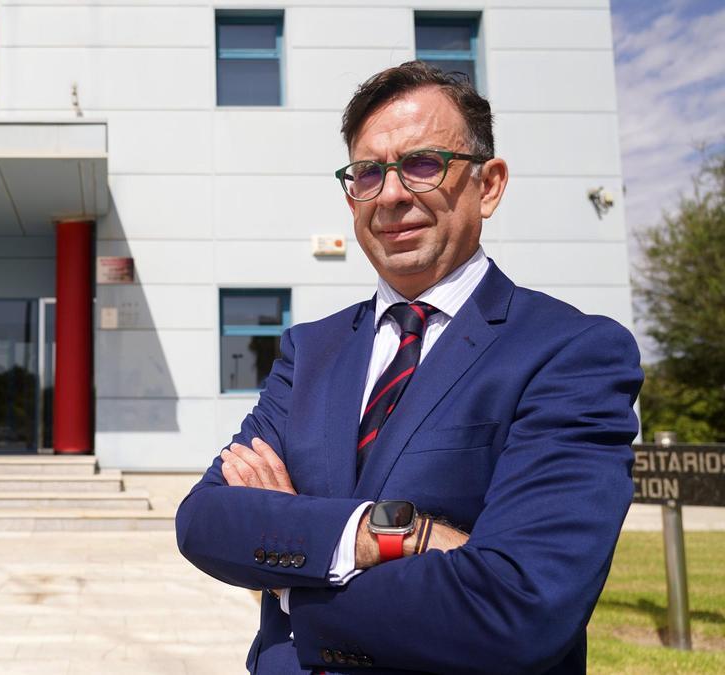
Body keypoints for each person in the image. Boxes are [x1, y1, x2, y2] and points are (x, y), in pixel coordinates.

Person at [175, 61, 642, 674]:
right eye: (368, 173)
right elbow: (205, 521)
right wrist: (391, 531)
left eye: (423, 164)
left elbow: (519, 607)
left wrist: (294, 579)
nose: (392, 194)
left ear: (489, 184)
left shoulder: (571, 352)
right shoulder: (310, 351)